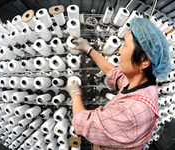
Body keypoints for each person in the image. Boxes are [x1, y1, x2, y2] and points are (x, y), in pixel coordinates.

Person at [67, 18, 171, 150]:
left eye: (125, 45)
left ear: (144, 60)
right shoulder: (143, 83)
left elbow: (81, 123)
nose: (119, 51)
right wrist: (89, 49)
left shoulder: (131, 113)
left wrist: (75, 92)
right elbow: (113, 72)